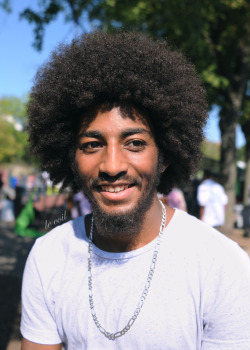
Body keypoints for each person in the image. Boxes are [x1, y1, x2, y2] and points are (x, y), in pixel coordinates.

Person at [21, 32, 250, 349]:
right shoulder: (47, 257)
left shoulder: (222, 265)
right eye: (92, 145)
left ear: (165, 155)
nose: (112, 165)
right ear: (70, 159)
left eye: (135, 143)